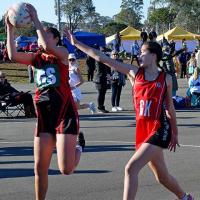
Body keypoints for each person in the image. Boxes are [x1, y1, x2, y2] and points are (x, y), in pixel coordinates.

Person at [64, 28, 194, 200]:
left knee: (130, 168)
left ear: (154, 55)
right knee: (162, 177)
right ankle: (185, 198)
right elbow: (102, 58)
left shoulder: (166, 79)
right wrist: (76, 43)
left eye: (142, 53)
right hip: (142, 130)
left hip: (158, 128)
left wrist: (175, 132)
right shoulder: (134, 73)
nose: (139, 56)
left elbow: (170, 107)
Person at [5, 4, 84, 200]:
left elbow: (48, 46)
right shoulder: (36, 58)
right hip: (45, 116)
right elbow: (13, 55)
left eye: (47, 35)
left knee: (66, 169)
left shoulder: (63, 55)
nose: (41, 38)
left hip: (64, 114)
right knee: (39, 168)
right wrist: (10, 28)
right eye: (41, 35)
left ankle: (79, 146)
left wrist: (37, 19)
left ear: (56, 39)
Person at [94, 47, 111, 113]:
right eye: (103, 51)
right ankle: (100, 107)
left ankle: (102, 107)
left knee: (103, 93)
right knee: (101, 93)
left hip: (104, 78)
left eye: (105, 51)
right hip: (99, 78)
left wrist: (108, 75)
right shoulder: (98, 58)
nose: (105, 52)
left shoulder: (105, 58)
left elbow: (108, 67)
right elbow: (100, 70)